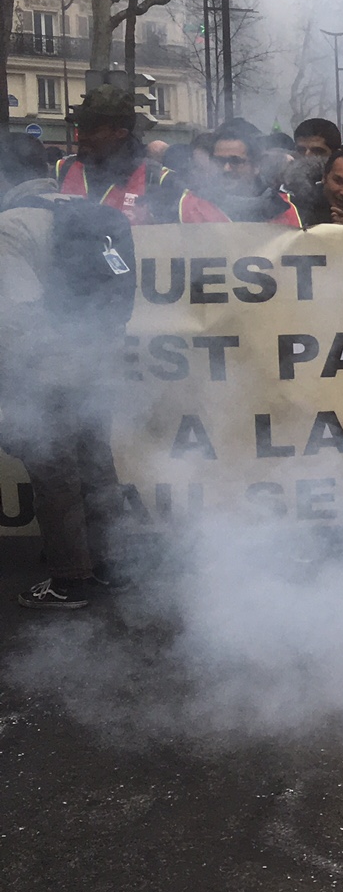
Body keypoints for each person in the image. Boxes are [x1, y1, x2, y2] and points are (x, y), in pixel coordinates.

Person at [0, 133, 132, 606]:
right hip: (98, 360)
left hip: (46, 368)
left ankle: (70, 578)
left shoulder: (11, 225)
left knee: (54, 472)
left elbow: (17, 314)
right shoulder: (93, 213)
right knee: (95, 463)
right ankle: (112, 564)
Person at [54, 85, 219, 223]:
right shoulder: (62, 170)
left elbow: (221, 233)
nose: (81, 136)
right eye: (80, 127)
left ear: (120, 133)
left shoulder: (158, 181)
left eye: (91, 130)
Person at [195, 120, 304, 224]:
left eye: (235, 161)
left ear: (256, 166)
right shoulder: (192, 206)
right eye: (219, 161)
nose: (226, 168)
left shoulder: (289, 210)